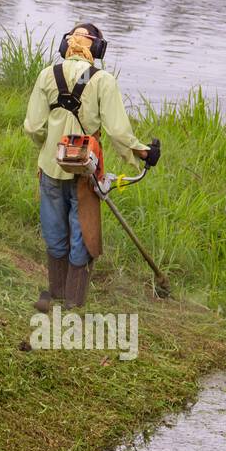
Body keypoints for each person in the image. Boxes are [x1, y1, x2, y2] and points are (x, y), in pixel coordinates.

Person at [23, 23, 151, 310]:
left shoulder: (47, 74)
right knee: (82, 232)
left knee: (55, 231)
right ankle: (74, 301)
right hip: (85, 171)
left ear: (65, 45)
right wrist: (141, 153)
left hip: (50, 167)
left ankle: (55, 293)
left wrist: (50, 146)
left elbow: (32, 127)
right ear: (97, 49)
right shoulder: (103, 80)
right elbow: (119, 132)